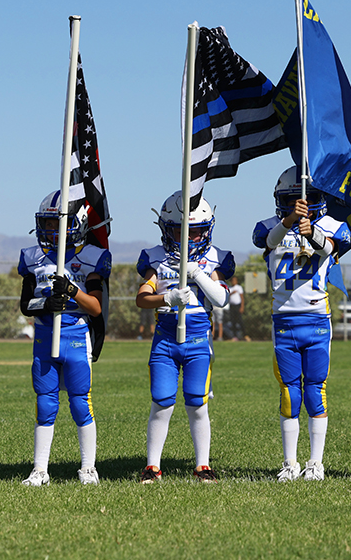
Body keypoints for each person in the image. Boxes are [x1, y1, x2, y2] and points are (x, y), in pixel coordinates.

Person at [253, 167, 351, 483]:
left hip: (317, 319)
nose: (298, 203)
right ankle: (289, 462)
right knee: (289, 393)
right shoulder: (270, 227)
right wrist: (289, 222)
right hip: (283, 320)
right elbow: (266, 241)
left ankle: (315, 462)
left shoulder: (332, 226)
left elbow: (330, 248)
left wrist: (311, 232)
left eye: (303, 198)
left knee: (315, 391)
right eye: (290, 199)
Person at [136, 192, 234, 484]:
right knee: (162, 401)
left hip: (197, 341)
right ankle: (152, 466)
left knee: (197, 403)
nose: (189, 238)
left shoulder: (215, 258)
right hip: (165, 339)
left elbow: (221, 298)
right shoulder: (156, 257)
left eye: (196, 231)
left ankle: (203, 465)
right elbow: (142, 299)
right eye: (180, 230)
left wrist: (198, 275)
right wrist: (166, 296)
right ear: (167, 228)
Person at [17, 191, 111, 486]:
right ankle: (40, 469)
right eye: (46, 225)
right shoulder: (33, 258)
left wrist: (72, 292)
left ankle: (88, 468)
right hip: (45, 337)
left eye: (57, 224)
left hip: (76, 336)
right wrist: (45, 304)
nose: (50, 231)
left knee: (80, 402)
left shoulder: (91, 258)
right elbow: (25, 304)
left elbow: (96, 307)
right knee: (45, 402)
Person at [226, 275, 245, 340]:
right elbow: (227, 296)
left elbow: (242, 297)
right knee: (233, 321)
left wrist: (242, 306)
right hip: (232, 306)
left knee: (240, 321)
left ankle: (244, 335)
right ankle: (235, 336)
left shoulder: (239, 287)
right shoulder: (230, 288)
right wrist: (232, 293)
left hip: (238, 306)